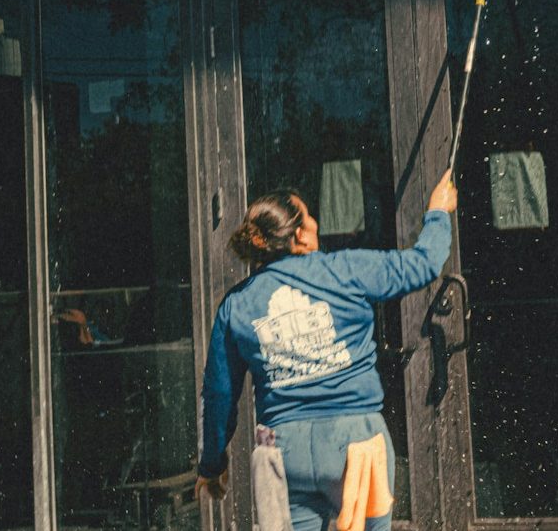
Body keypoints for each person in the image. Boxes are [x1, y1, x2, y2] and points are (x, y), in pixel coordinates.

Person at [196, 170, 459, 529]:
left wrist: (212, 465)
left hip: (285, 451)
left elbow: (219, 393)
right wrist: (438, 213)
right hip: (356, 443)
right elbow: (423, 265)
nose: (316, 222)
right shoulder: (346, 269)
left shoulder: (237, 304)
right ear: (299, 235)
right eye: (309, 215)